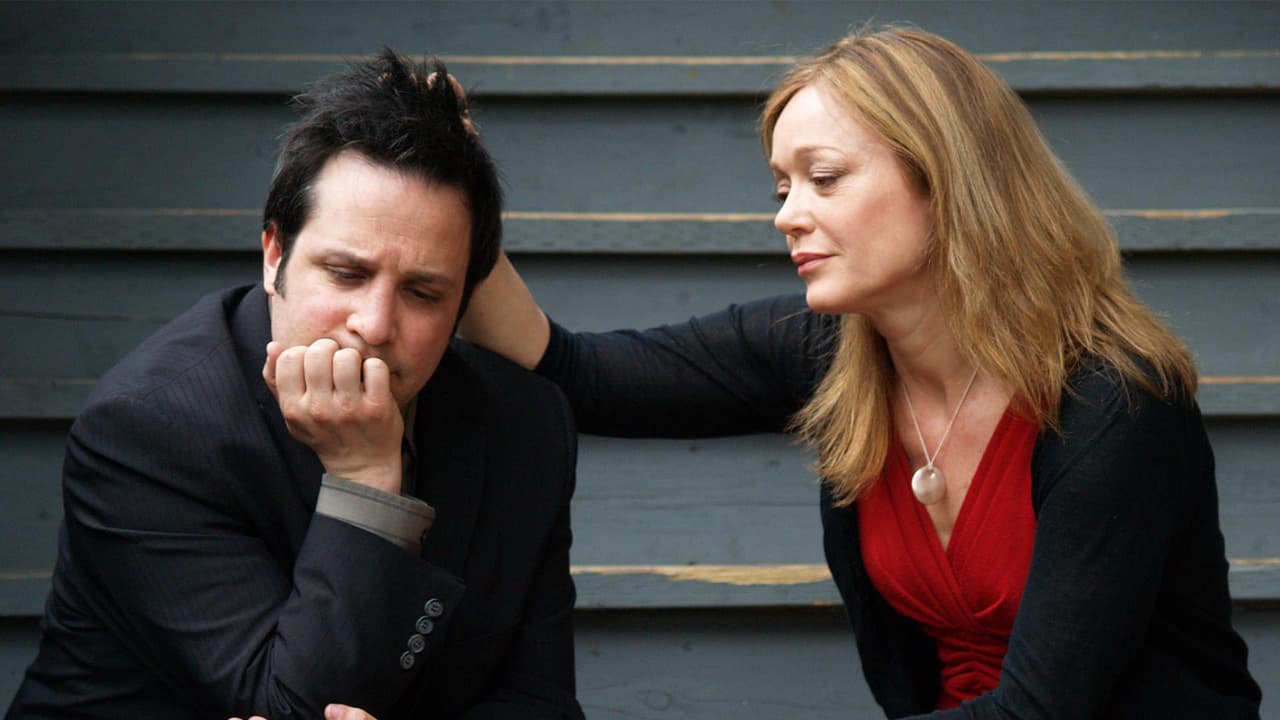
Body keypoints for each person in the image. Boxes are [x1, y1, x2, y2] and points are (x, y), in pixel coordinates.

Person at [458, 27, 1262, 718]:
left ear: (944, 181)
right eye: (782, 187)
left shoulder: (1114, 397)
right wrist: (455, 188)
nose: (786, 215)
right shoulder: (826, 348)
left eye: (824, 178)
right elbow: (570, 371)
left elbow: (1038, 709)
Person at [6, 51, 583, 720]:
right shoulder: (149, 428)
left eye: (423, 293)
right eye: (345, 274)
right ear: (274, 253)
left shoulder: (524, 423)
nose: (374, 324)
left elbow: (540, 703)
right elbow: (294, 709)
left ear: (462, 303)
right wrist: (365, 479)